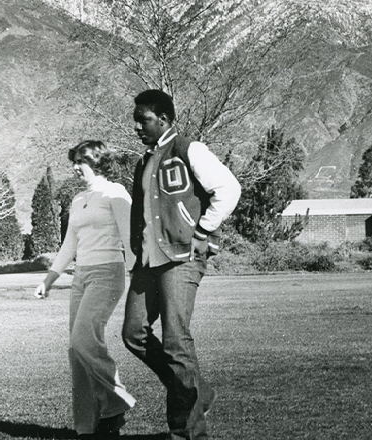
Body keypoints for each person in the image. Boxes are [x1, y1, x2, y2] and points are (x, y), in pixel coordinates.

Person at [122, 89, 241, 440]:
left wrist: (203, 231)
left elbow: (228, 189)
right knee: (133, 333)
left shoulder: (189, 149)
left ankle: (188, 432)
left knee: (175, 340)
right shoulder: (145, 160)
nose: (137, 127)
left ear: (164, 119)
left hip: (182, 257)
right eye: (136, 121)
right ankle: (195, 390)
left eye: (143, 120)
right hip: (148, 260)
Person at [35, 141, 136, 439]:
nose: (76, 166)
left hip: (108, 273)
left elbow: (129, 237)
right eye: (74, 161)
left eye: (81, 160)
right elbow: (70, 244)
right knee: (75, 350)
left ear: (97, 160)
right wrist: (49, 279)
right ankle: (87, 427)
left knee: (83, 340)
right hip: (81, 276)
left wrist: (138, 277)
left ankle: (115, 406)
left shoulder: (115, 192)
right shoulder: (78, 199)